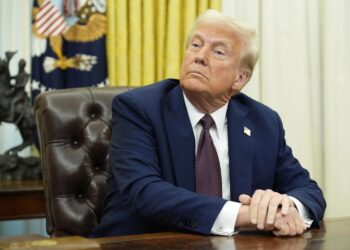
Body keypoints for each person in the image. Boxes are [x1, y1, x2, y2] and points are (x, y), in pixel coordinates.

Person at [90, 9, 326, 237]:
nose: (200, 56)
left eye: (218, 52)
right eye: (195, 45)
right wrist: (248, 215)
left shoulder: (264, 121)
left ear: (240, 78)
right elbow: (144, 192)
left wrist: (286, 208)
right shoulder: (139, 108)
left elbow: (309, 191)